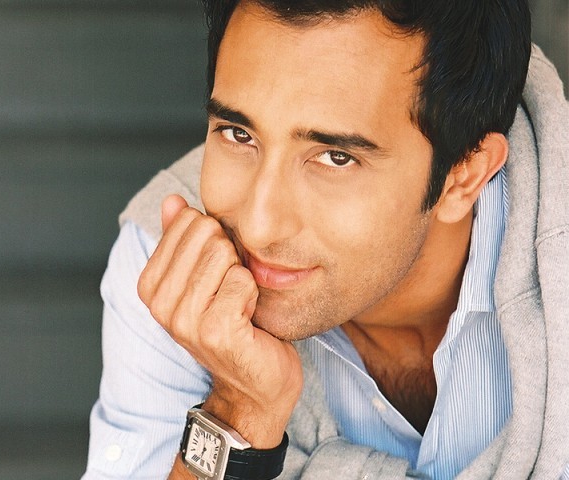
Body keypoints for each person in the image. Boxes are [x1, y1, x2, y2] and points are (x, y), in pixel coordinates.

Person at [82, 0, 569, 479]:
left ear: (464, 176)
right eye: (237, 134)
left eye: (336, 157)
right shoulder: (173, 269)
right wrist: (238, 410)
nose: (258, 227)